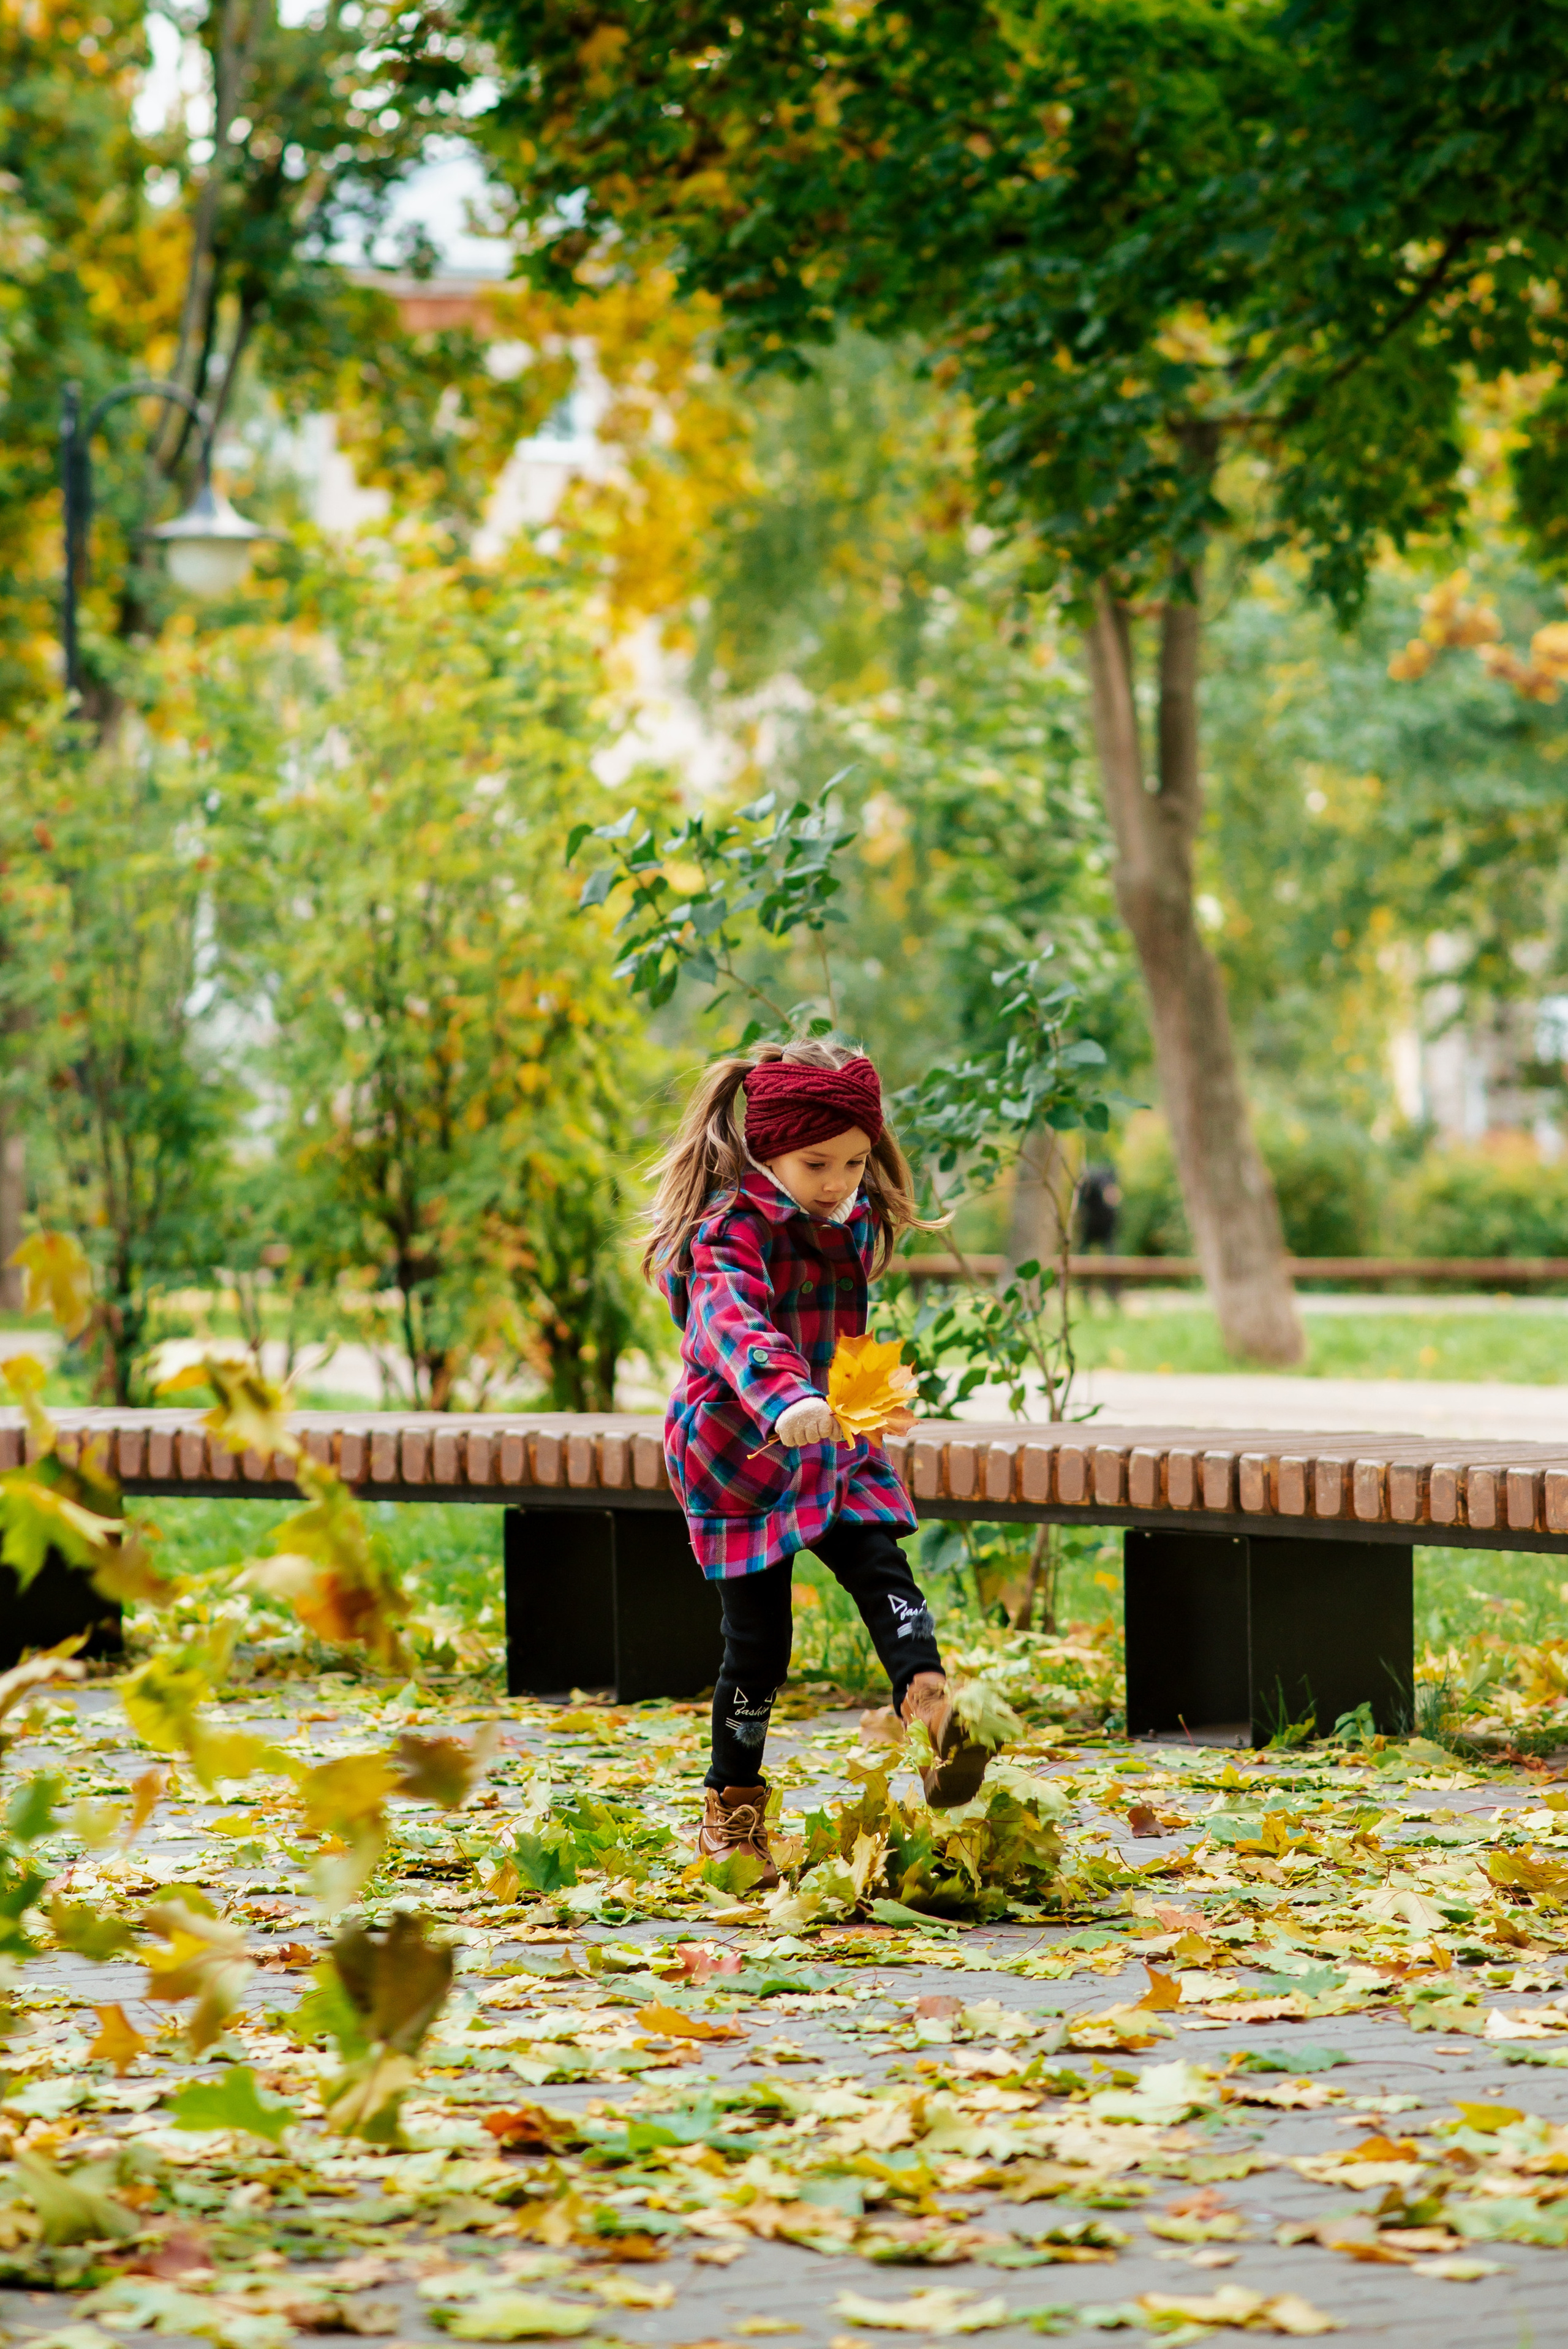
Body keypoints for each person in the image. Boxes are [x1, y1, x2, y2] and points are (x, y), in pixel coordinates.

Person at [644, 1037, 995, 1888]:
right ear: (768, 1149)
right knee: (759, 1644)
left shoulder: (853, 1213)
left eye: (855, 1160)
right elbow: (730, 1323)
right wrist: (782, 1397)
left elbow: (844, 1316)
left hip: (831, 1431)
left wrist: (853, 1404)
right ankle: (731, 1813)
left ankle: (933, 1712)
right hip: (742, 1447)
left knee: (885, 1564)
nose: (839, 1181)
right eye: (817, 1163)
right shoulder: (728, 1229)